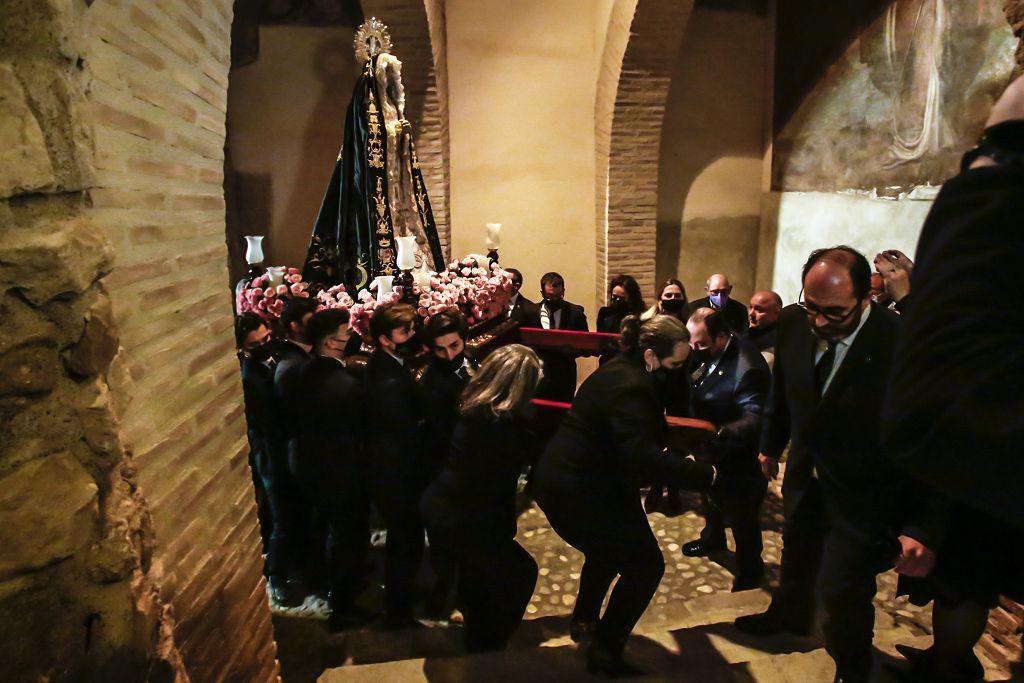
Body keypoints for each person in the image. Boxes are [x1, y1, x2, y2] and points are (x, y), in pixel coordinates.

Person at [735, 247, 941, 683]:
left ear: (867, 295)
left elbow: (933, 439)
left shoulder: (900, 342)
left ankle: (852, 665)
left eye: (833, 313)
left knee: (844, 589)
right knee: (796, 555)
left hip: (864, 493)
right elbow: (785, 390)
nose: (818, 323)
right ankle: (789, 615)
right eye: (811, 307)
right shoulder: (792, 321)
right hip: (806, 478)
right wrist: (770, 445)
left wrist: (924, 526)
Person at [882, 75, 1024, 683]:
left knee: (965, 585)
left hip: (974, 505)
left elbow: (926, 418)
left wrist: (989, 178)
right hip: (975, 502)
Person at [532, 314, 716, 676]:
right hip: (578, 489)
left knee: (606, 552)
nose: (679, 370)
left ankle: (585, 619)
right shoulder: (632, 385)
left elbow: (640, 433)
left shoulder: (622, 369)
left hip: (585, 481)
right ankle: (605, 651)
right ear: (650, 356)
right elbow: (641, 455)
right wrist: (703, 474)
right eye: (675, 363)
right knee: (647, 566)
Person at [420, 344, 543, 652]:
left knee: (477, 576)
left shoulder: (474, 405)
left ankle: (478, 631)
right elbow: (495, 485)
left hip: (445, 507)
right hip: (466, 516)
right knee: (521, 573)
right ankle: (488, 644)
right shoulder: (502, 426)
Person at [289, 309, 373, 631]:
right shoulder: (346, 386)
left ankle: (320, 580)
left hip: (306, 464)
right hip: (340, 470)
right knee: (347, 538)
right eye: (346, 332)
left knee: (320, 526)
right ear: (329, 342)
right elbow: (360, 431)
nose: (351, 336)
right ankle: (344, 606)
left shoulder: (299, 371)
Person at [682, 308, 770, 591]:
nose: (693, 350)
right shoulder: (703, 351)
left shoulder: (748, 366)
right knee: (710, 496)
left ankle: (750, 568)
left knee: (742, 515)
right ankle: (713, 538)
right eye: (691, 344)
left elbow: (754, 416)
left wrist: (721, 433)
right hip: (709, 447)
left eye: (700, 345)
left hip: (736, 453)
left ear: (721, 337)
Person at [364, 302, 425, 627]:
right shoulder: (388, 381)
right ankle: (398, 610)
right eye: (406, 331)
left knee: (406, 539)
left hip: (394, 469)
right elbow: (404, 430)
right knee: (405, 540)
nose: (413, 335)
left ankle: (401, 596)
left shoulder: (389, 364)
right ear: (386, 340)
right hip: (395, 474)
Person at [416, 309, 477, 617]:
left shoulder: (467, 363)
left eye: (454, 346)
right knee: (444, 542)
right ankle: (445, 595)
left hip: (463, 471)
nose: (448, 354)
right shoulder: (432, 384)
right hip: (443, 471)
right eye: (440, 349)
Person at [522, 272, 588, 402]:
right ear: (542, 293)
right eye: (550, 297)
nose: (555, 301)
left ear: (564, 291)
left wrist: (568, 349)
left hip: (565, 373)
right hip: (538, 373)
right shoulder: (530, 312)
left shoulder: (575, 312)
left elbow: (584, 344)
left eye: (559, 296)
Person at [744, 290, 782, 368]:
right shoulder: (748, 331)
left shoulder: (772, 349)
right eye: (750, 307)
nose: (751, 313)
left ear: (777, 314)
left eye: (759, 310)